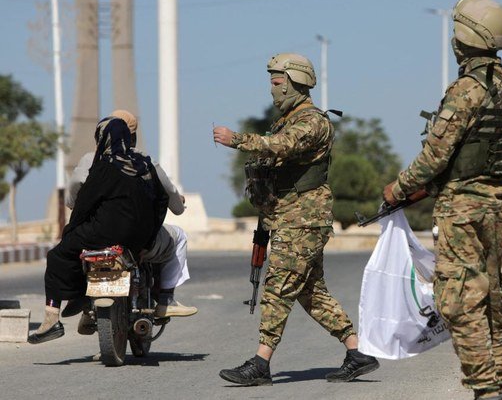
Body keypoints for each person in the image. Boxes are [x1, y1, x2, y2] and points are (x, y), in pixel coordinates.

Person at [382, 0, 502, 400]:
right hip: (498, 207)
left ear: (464, 38)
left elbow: (434, 156)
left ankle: (487, 389)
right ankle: (499, 379)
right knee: (489, 293)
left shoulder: (465, 90)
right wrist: (492, 156)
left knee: (458, 299)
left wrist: (397, 189)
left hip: (460, 208)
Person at [213, 53, 379, 386]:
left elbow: (281, 146)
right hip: (288, 215)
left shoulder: (312, 122)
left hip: (303, 219)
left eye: (277, 84)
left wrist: (238, 140)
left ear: (294, 84)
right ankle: (357, 352)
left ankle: (260, 363)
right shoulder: (288, 119)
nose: (273, 91)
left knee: (278, 287)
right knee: (311, 293)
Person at [28, 115, 169, 344]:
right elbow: (161, 201)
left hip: (105, 232)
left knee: (58, 256)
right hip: (138, 239)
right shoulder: (144, 165)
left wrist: (69, 233)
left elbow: (83, 204)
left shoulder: (105, 166)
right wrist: (149, 238)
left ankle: (52, 318)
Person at [64, 110, 197, 328]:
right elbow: (174, 204)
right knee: (179, 236)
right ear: (131, 137)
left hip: (96, 236)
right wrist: (178, 203)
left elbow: (71, 200)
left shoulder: (89, 161)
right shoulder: (145, 162)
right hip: (138, 239)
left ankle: (86, 303)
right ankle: (165, 299)